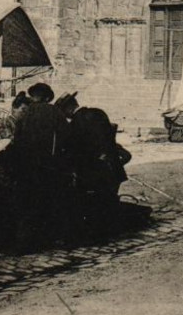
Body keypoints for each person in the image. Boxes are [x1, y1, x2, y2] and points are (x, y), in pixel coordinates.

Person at [56, 93, 132, 242]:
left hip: (95, 170)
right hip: (112, 168)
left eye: (64, 112)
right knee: (109, 200)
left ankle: (99, 236)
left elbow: (77, 150)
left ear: (69, 109)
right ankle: (113, 232)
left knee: (94, 203)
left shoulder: (76, 123)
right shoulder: (98, 113)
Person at [11, 82, 70, 252]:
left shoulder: (26, 113)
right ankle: (48, 239)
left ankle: (26, 242)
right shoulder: (55, 112)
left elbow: (17, 139)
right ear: (47, 96)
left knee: (28, 203)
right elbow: (65, 137)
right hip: (49, 166)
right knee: (49, 202)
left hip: (27, 166)